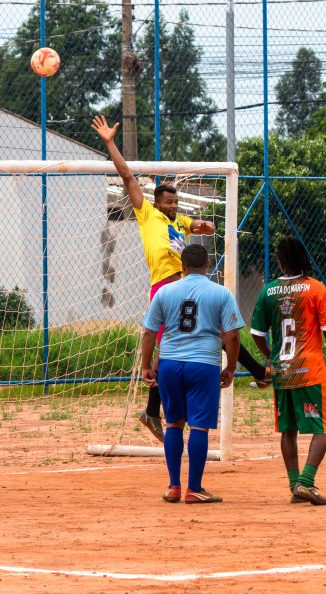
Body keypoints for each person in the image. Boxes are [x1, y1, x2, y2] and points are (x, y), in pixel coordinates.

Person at [91, 115, 269, 443]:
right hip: (165, 287)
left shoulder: (179, 220)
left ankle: (257, 373)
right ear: (156, 203)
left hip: (186, 285)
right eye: (168, 201)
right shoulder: (148, 213)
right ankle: (153, 410)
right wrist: (110, 143)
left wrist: (206, 227)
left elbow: (204, 226)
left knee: (216, 332)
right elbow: (128, 176)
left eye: (176, 201)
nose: (173, 205)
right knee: (171, 349)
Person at [250, 236, 326, 505]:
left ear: (281, 262)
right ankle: (306, 482)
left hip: (283, 372)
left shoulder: (268, 291)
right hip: (309, 371)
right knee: (325, 427)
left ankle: (294, 483)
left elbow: (256, 333)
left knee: (288, 430)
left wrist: (271, 356)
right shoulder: (315, 289)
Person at [140, 244, 244, 503]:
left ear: (182, 267)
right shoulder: (221, 293)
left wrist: (146, 365)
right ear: (208, 264)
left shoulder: (165, 292)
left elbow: (149, 332)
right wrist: (230, 367)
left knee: (173, 422)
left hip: (170, 364)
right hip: (203, 364)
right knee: (199, 425)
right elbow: (232, 335)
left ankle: (174, 486)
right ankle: (194, 489)